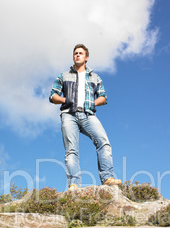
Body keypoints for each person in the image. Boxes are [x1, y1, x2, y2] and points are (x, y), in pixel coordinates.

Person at [49, 44, 122, 190]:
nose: (77, 55)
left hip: (88, 114)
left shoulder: (95, 77)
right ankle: (74, 184)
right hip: (68, 115)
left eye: (80, 53)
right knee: (71, 150)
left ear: (86, 57)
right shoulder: (64, 75)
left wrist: (91, 103)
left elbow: (103, 97)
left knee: (103, 142)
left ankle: (107, 177)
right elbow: (53, 96)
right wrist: (66, 100)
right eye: (75, 53)